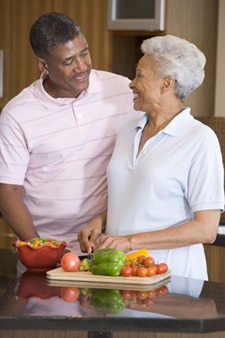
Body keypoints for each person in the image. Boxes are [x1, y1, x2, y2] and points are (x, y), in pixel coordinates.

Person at [78, 35, 225, 280]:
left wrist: (129, 242)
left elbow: (206, 229)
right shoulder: (128, 131)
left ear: (166, 84)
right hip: (120, 274)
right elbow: (135, 195)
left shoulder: (199, 138)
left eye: (139, 75)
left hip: (172, 279)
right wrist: (100, 220)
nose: (131, 83)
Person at [0, 12, 142, 256]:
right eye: (68, 61)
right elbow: (9, 190)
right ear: (43, 65)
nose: (82, 67)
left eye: (84, 53)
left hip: (112, 247)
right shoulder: (17, 114)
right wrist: (40, 248)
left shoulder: (122, 90)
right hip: (50, 248)